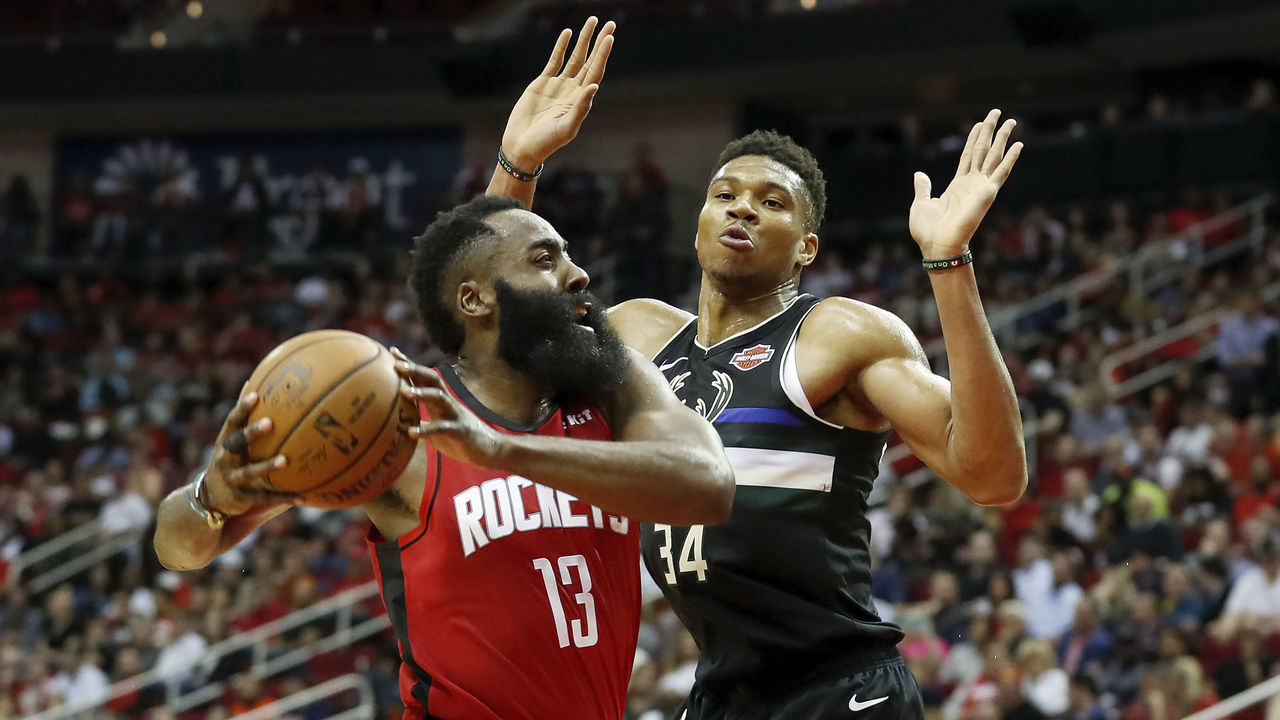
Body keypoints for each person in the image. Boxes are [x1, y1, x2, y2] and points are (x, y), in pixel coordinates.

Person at [155, 21, 736, 720]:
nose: (580, 274)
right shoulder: (401, 421)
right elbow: (178, 549)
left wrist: (502, 451)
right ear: (474, 301)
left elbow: (709, 487)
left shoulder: (611, 386)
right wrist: (212, 495)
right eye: (550, 260)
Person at [488, 27, 1027, 719]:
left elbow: (992, 474)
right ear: (700, 221)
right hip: (724, 692)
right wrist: (517, 166)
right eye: (725, 194)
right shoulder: (638, 335)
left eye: (772, 202)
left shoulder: (838, 333)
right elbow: (495, 340)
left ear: (806, 248)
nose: (742, 206)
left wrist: (949, 264)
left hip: (840, 687)